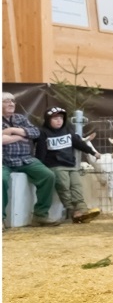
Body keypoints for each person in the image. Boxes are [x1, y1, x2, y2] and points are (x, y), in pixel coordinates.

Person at [2, 93, 61, 227]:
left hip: (25, 159)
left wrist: (10, 131)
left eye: (13, 101)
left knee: (48, 175)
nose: (11, 104)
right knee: (1, 180)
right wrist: (21, 136)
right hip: (3, 161)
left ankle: (41, 215)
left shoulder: (20, 118)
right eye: (6, 101)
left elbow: (35, 132)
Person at [35, 106, 101, 223]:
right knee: (64, 187)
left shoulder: (68, 130)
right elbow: (40, 152)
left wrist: (92, 152)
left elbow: (78, 143)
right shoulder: (43, 133)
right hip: (55, 165)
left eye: (60, 118)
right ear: (48, 120)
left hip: (71, 164)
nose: (59, 120)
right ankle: (72, 211)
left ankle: (82, 209)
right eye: (55, 118)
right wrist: (40, 166)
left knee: (77, 186)